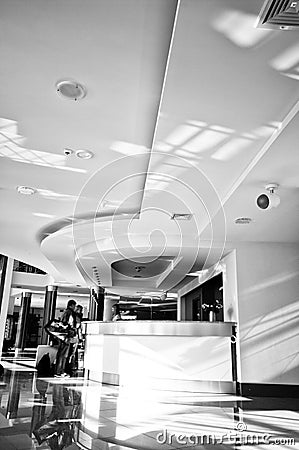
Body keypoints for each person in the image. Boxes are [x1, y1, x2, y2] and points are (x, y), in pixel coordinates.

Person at [55, 299, 77, 378]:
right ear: (71, 305)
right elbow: (68, 324)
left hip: (63, 336)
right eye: (74, 305)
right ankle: (60, 371)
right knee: (63, 354)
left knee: (61, 353)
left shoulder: (65, 312)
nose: (75, 307)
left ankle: (58, 371)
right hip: (66, 336)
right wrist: (72, 330)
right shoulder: (69, 313)